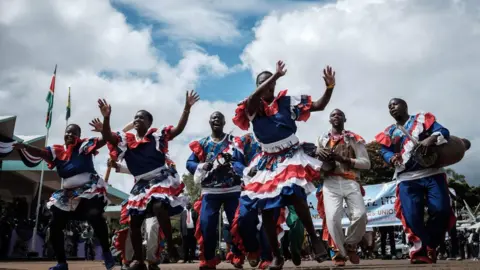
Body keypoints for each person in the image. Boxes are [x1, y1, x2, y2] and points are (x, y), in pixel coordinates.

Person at [232, 60, 336, 269]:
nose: (265, 86)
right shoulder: (252, 107)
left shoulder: (287, 103)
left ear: (274, 87)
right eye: (261, 83)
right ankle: (276, 255)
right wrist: (275, 75)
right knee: (268, 209)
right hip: (268, 159)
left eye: (269, 83)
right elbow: (253, 97)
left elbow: (320, 105)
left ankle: (315, 240)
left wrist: (329, 88)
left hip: (290, 154)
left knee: (294, 192)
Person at [99, 90, 199, 270]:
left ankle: (169, 244)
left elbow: (178, 129)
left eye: (141, 118)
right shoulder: (126, 141)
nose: (137, 120)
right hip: (141, 184)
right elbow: (108, 137)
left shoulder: (157, 137)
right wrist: (107, 118)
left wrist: (187, 108)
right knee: (135, 221)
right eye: (135, 117)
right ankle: (138, 259)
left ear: (149, 123)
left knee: (159, 205)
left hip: (160, 178)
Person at [13, 124, 115, 270]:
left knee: (95, 216)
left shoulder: (84, 147)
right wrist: (25, 147)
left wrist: (105, 121)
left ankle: (106, 252)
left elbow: (105, 139)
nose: (69, 135)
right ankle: (62, 263)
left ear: (79, 136)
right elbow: (40, 153)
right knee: (54, 226)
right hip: (68, 194)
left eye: (74, 133)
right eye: (67, 132)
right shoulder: (57, 151)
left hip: (89, 190)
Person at [375, 98, 456, 264]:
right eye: (389, 106)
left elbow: (444, 132)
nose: (392, 108)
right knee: (412, 215)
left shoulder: (422, 119)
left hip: (432, 172)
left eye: (395, 104)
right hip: (407, 177)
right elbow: (383, 150)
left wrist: (431, 139)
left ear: (405, 106)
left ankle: (431, 243)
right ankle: (421, 252)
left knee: (441, 210)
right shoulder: (389, 131)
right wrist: (391, 158)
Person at [186, 111, 245, 270]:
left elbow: (241, 162)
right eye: (213, 118)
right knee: (206, 224)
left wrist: (232, 163)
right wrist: (201, 166)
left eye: (219, 118)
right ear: (210, 122)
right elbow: (189, 163)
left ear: (224, 122)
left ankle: (237, 254)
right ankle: (209, 258)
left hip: (232, 188)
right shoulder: (202, 143)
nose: (216, 120)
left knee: (236, 223)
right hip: (210, 191)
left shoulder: (233, 142)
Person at [315, 109, 370, 266]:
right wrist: (321, 160)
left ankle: (351, 244)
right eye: (333, 115)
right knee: (332, 219)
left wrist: (343, 159)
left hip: (351, 181)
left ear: (345, 118)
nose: (336, 117)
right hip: (330, 182)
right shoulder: (322, 139)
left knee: (360, 215)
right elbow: (315, 163)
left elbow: (366, 163)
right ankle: (339, 253)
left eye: (339, 114)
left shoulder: (353, 138)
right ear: (329, 120)